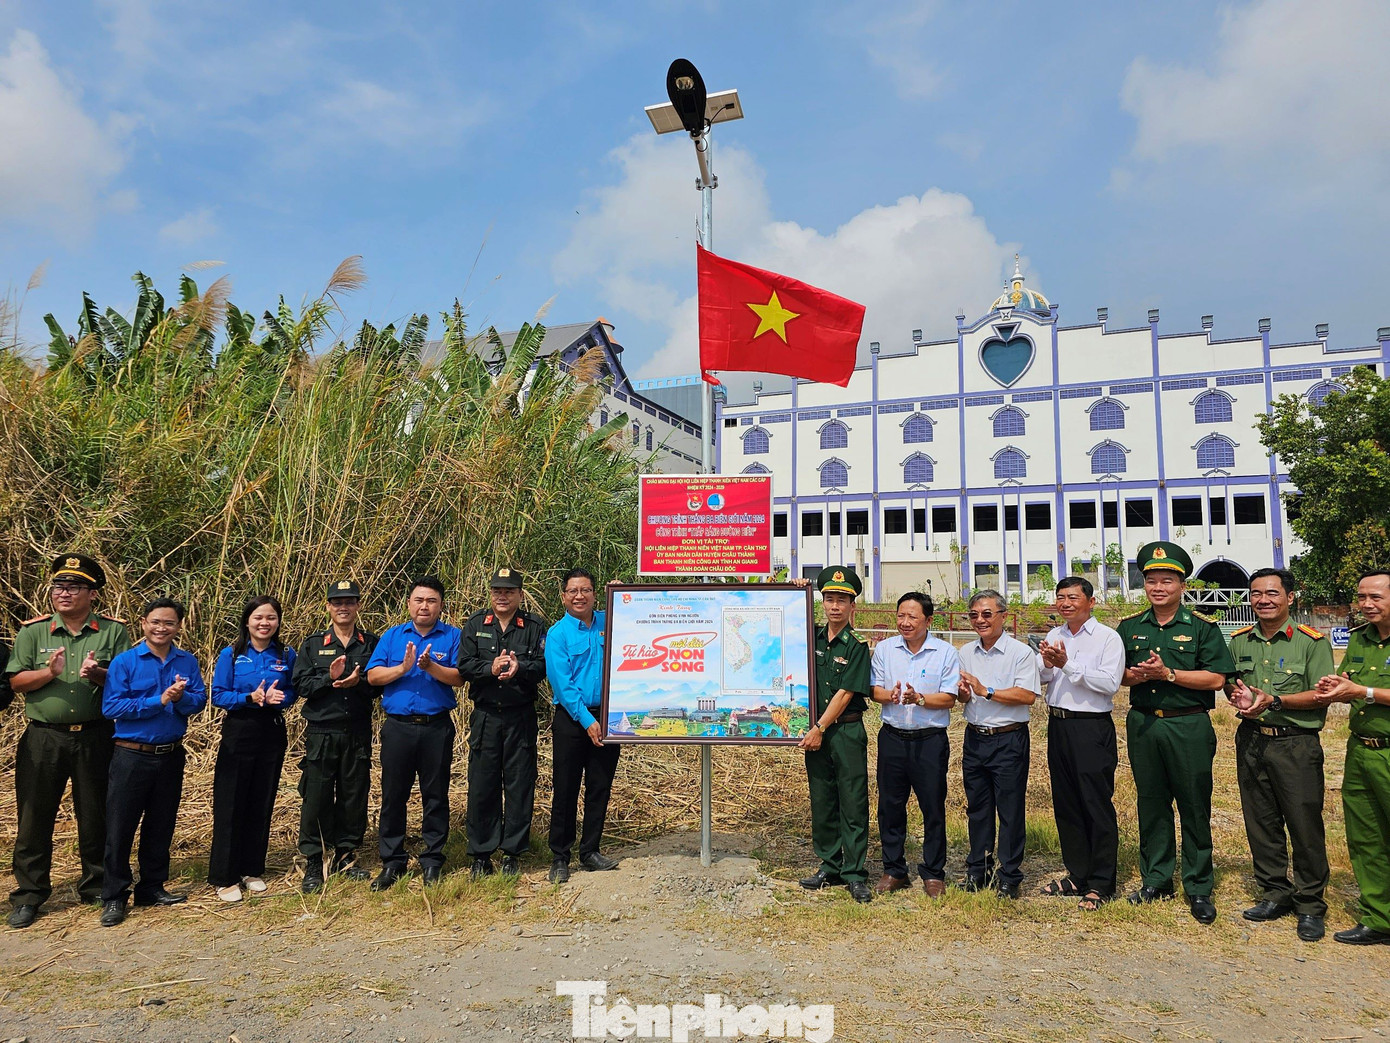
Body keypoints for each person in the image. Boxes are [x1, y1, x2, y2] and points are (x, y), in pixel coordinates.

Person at [5, 553, 129, 929]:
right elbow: (14, 682)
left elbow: (125, 684)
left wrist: (98, 674)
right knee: (33, 816)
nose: (64, 593)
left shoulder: (112, 632)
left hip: (95, 735)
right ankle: (29, 896)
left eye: (74, 587)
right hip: (44, 738)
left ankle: (98, 888)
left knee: (96, 815)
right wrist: (48, 672)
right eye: (59, 586)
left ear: (93, 594)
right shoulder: (34, 631)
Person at [1117, 541, 1234, 924]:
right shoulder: (1130, 627)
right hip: (1145, 723)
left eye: (1167, 580)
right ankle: (1157, 879)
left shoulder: (1201, 628)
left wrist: (1169, 673)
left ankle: (1198, 885)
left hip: (1188, 724)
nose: (1158, 587)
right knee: (1151, 802)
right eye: (1151, 580)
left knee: (1193, 804)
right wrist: (1135, 675)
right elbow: (1117, 674)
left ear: (1182, 585)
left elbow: (1217, 678)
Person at [1223, 567, 1334, 942]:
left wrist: (1276, 700)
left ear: (1289, 597)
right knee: (1261, 820)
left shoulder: (1310, 641)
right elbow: (1230, 683)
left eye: (1271, 593)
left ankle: (1310, 904)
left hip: (1296, 744)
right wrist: (1237, 697)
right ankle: (1275, 892)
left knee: (1304, 824)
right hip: (1252, 739)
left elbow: (1322, 696)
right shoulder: (1239, 641)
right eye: (1256, 594)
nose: (1263, 600)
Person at [98, 597, 207, 926]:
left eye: (169, 623)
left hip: (170, 754)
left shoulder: (187, 662)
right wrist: (158, 700)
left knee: (161, 824)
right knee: (120, 826)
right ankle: (115, 895)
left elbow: (199, 701)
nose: (162, 628)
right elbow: (112, 708)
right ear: (143, 623)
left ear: (178, 627)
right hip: (132, 755)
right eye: (155, 622)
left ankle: (152, 886)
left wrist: (181, 697)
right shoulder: (125, 662)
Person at [366, 576, 462, 890]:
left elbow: (461, 677)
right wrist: (403, 669)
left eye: (431, 601)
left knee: (435, 796)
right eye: (419, 600)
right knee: (394, 797)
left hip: (436, 728)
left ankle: (432, 860)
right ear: (409, 603)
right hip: (398, 729)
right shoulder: (393, 636)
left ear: (441, 605)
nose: (424, 606)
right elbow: (373, 676)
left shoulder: (453, 637)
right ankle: (393, 862)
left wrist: (430, 667)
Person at [1036, 576, 1125, 911]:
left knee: (1095, 802)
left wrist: (1067, 665)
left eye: (1073, 597)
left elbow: (1109, 683)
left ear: (1090, 601)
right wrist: (1046, 664)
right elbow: (1046, 678)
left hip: (1091, 727)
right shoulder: (1054, 635)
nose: (1065, 603)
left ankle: (1102, 882)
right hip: (1058, 726)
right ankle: (1077, 873)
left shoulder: (1107, 638)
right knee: (1067, 802)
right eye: (1060, 597)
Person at [1312, 569, 1390, 945]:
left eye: (1375, 597)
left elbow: (1363, 689)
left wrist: (1363, 691)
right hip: (1361, 749)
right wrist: (1334, 688)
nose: (1366, 604)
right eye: (1361, 597)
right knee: (1366, 837)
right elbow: (1349, 683)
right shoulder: (1359, 639)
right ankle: (1378, 917)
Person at [291, 579, 380, 894]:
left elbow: (379, 684)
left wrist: (359, 683)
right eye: (337, 602)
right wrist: (328, 679)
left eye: (349, 601)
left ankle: (346, 856)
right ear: (328, 606)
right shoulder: (314, 643)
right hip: (321, 731)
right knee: (316, 796)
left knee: (353, 794)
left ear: (358, 606)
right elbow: (300, 685)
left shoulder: (370, 642)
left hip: (356, 729)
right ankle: (315, 861)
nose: (343, 607)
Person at [869, 591, 959, 897]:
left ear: (928, 620)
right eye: (901, 616)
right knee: (890, 805)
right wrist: (892, 695)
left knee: (932, 806)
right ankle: (894, 870)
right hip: (893, 737)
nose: (905, 623)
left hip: (929, 740)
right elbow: (875, 690)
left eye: (912, 617)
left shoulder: (945, 652)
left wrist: (919, 698)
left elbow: (949, 698)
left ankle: (933, 873)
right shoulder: (884, 649)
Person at [459, 568, 547, 879]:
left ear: (520, 595)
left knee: (519, 784)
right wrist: (490, 667)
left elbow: (542, 666)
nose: (502, 595)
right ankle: (481, 853)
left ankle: (513, 852)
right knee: (482, 785)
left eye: (509, 591)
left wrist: (520, 667)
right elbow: (465, 665)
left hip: (519, 717)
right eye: (497, 590)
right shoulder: (475, 624)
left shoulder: (534, 626)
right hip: (485, 717)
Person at [208, 595, 297, 903]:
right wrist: (249, 698)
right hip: (239, 729)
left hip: (271, 730)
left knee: (261, 800)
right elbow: (218, 695)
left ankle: (251, 869)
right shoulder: (231, 654)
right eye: (258, 617)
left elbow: (293, 691)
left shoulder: (286, 654)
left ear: (278, 622)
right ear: (247, 621)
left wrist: (279, 699)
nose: (264, 623)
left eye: (271, 617)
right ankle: (224, 876)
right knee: (231, 802)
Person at [796, 567, 873, 903]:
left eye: (842, 599)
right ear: (822, 602)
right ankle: (831, 865)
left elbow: (843, 694)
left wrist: (819, 728)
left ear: (852, 605)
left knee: (852, 801)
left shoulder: (856, 645)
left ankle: (855, 873)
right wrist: (796, 589)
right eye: (829, 599)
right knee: (823, 800)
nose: (835, 606)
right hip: (817, 734)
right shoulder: (811, 637)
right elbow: (786, 622)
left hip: (844, 731)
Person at [956, 589, 1040, 899]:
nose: (980, 620)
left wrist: (985, 689)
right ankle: (978, 869)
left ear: (1003, 616)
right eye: (975, 615)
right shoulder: (965, 653)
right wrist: (965, 692)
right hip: (975, 737)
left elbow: (1027, 695)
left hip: (1009, 738)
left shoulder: (1020, 653)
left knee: (1010, 809)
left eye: (987, 614)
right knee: (977, 808)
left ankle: (1010, 874)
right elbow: (965, 696)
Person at [545, 568, 621, 884]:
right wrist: (589, 722)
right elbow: (563, 686)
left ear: (594, 594)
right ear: (563, 597)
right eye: (573, 591)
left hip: (609, 717)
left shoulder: (609, 622)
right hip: (573, 720)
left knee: (599, 787)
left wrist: (622, 593)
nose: (580, 596)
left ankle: (590, 851)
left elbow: (637, 619)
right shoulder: (558, 634)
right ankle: (560, 857)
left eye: (586, 590)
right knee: (566, 788)